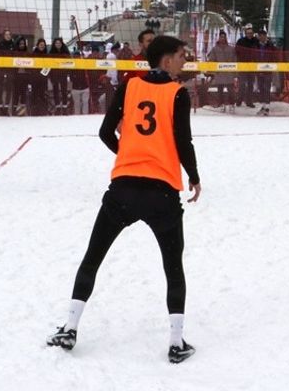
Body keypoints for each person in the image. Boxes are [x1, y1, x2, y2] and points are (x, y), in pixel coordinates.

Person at [47, 35, 201, 364]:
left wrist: (129, 154)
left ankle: (70, 328)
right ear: (165, 60)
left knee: (93, 258)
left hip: (124, 189)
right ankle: (176, 343)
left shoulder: (130, 87)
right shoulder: (178, 94)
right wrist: (195, 176)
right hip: (161, 192)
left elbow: (105, 132)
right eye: (180, 56)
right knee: (173, 268)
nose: (184, 61)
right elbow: (183, 141)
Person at [205, 30, 237, 107]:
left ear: (226, 38)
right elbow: (211, 60)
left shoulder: (231, 49)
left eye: (224, 37)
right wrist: (210, 71)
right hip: (219, 73)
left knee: (231, 90)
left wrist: (235, 72)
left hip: (229, 73)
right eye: (221, 37)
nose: (222, 38)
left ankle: (231, 104)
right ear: (218, 38)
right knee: (220, 90)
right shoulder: (215, 49)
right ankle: (220, 103)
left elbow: (235, 60)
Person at [234, 28, 259, 107]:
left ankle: (249, 101)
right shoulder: (240, 41)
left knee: (251, 84)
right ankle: (239, 99)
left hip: (252, 66)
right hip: (243, 66)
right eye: (248, 33)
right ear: (245, 33)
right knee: (242, 84)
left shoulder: (256, 41)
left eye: (251, 33)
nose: (249, 34)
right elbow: (236, 52)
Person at [0, 29, 17, 116]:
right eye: (6, 34)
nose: (8, 36)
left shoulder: (14, 45)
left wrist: (14, 70)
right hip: (1, 70)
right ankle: (1, 108)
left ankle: (6, 108)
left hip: (10, 70)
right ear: (3, 35)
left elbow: (15, 57)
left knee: (9, 89)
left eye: (9, 34)